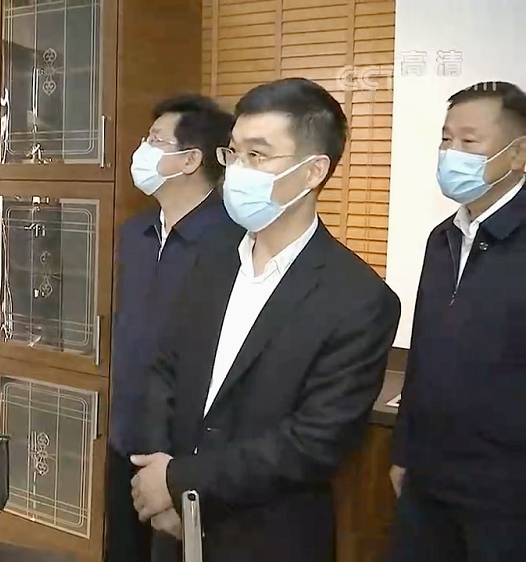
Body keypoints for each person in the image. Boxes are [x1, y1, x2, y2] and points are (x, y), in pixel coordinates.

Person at [130, 78, 401, 562]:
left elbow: (314, 442)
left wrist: (179, 482)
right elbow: (163, 369)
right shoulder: (208, 257)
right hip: (169, 527)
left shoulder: (359, 299)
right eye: (233, 153)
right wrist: (157, 480)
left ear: (313, 170)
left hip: (266, 537)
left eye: (258, 155)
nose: (237, 170)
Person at [388, 81, 526, 562]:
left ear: (518, 154)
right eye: (446, 139)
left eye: (469, 141)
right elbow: (424, 353)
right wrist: (403, 452)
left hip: (506, 492)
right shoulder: (442, 238)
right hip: (427, 480)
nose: (451, 153)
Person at [106, 95, 241, 562]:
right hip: (125, 437)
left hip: (182, 455)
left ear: (190, 160)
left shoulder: (232, 242)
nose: (141, 150)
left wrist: (176, 471)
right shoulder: (135, 233)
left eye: (155, 141)